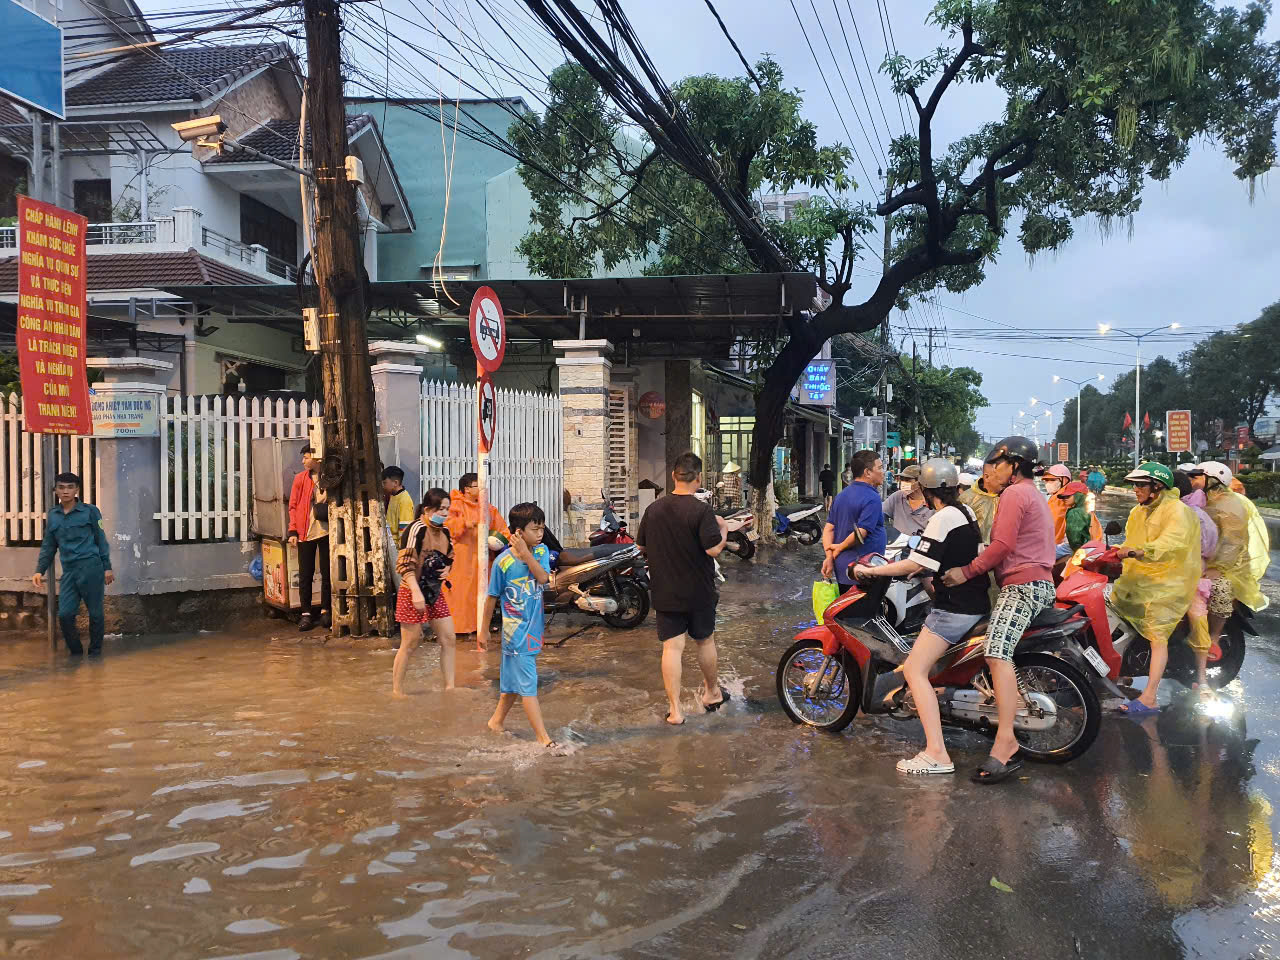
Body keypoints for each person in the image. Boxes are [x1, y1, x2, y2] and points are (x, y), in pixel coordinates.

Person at [852, 460, 989, 775]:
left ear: (929, 491)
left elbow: (914, 562)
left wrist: (872, 570)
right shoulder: (966, 512)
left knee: (914, 670)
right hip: (975, 603)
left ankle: (936, 753)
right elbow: (939, 558)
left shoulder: (942, 517)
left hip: (954, 608)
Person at [941, 436, 1054, 784]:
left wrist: (966, 571)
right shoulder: (1033, 494)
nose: (992, 470)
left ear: (1014, 466)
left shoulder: (1015, 494)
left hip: (1022, 587)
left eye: (998, 464)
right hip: (1032, 583)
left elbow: (1002, 545)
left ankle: (1006, 744)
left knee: (995, 651)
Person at [636, 452, 730, 725]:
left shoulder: (654, 509)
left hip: (665, 590)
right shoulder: (701, 511)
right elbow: (712, 549)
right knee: (705, 641)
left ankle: (675, 711)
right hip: (698, 591)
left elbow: (641, 546)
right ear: (698, 478)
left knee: (672, 648)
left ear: (673, 476)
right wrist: (723, 530)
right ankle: (712, 693)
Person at [1108, 463, 1202, 714]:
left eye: (1141, 484)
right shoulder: (1139, 511)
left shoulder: (1178, 511)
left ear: (1157, 486)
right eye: (1134, 484)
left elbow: (1171, 542)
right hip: (1142, 576)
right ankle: (1118, 672)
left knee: (1157, 637)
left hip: (1169, 582)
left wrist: (1140, 552)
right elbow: (1131, 540)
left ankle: (1149, 697)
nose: (1135, 489)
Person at [484, 502, 561, 749]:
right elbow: (491, 597)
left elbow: (542, 578)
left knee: (511, 685)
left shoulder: (540, 552)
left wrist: (527, 555)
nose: (540, 533)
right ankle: (543, 739)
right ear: (518, 532)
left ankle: (496, 722)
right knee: (528, 685)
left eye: (542, 528)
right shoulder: (503, 563)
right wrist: (484, 630)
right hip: (515, 633)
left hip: (533, 630)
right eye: (535, 529)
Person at [32, 472, 114, 656]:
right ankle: (76, 654)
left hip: (91, 568)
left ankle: (94, 654)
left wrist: (107, 566)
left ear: (77, 490)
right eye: (61, 487)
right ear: (56, 490)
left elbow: (101, 540)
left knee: (96, 614)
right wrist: (39, 570)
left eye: (70, 487)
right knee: (65, 614)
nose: (65, 491)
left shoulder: (90, 511)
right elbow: (49, 545)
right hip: (69, 572)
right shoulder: (53, 515)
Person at [1190, 462, 1266, 653]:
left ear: (1213, 480)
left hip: (1229, 565)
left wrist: (1216, 568)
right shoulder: (1201, 498)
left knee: (1220, 589)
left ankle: (1213, 637)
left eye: (1197, 477)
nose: (1193, 480)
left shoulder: (1230, 505)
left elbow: (1232, 542)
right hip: (1201, 558)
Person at [392, 489, 457, 696]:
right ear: (428, 509)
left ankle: (450, 688)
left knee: (449, 638)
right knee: (410, 643)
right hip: (411, 591)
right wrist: (415, 591)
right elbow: (403, 564)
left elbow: (450, 557)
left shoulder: (444, 532)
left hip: (434, 591)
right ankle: (397, 691)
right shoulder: (416, 529)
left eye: (448, 509)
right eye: (441, 509)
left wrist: (448, 569)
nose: (445, 513)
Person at [445, 471, 510, 648]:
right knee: (459, 595)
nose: (481, 490)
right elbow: (448, 528)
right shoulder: (454, 506)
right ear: (466, 489)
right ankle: (457, 629)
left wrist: (496, 541)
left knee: (482, 594)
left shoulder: (488, 508)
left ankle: (480, 627)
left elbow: (503, 530)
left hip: (483, 560)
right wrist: (464, 524)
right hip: (461, 559)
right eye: (477, 486)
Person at [1173, 470, 1219, 691]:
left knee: (1197, 615)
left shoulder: (1195, 516)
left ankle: (1202, 679)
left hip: (1188, 576)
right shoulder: (1161, 512)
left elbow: (1207, 548)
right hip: (1162, 572)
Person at [823, 449, 887, 590]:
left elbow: (828, 529)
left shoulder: (841, 495)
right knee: (863, 611)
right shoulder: (872, 497)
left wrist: (829, 556)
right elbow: (861, 533)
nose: (883, 472)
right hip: (862, 571)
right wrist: (838, 548)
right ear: (867, 472)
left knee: (847, 611)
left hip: (842, 570)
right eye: (880, 468)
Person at [287, 445, 330, 631]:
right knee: (306, 573)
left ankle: (326, 610)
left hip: (327, 531)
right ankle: (305, 613)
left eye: (306, 457)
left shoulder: (330, 477)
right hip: (305, 532)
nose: (303, 461)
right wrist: (293, 531)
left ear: (317, 458)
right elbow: (293, 506)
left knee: (328, 573)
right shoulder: (300, 479)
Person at [881, 464, 934, 536]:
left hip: (922, 544)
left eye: (907, 480)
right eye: (902, 479)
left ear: (919, 482)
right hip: (898, 543)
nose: (903, 482)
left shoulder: (932, 502)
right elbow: (881, 513)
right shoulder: (897, 496)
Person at [1043, 464, 1075, 559]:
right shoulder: (1054, 497)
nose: (1048, 483)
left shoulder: (1064, 497)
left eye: (1052, 480)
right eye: (1047, 480)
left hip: (1066, 544)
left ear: (1064, 480)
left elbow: (1055, 524)